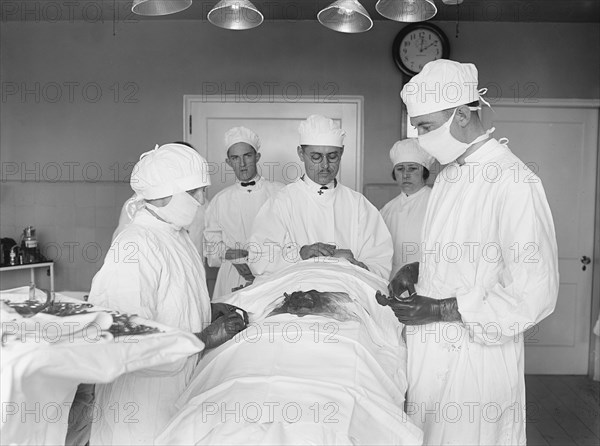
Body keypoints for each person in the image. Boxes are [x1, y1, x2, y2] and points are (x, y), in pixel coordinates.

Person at [377, 59, 559, 445]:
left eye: (426, 127)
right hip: (432, 351)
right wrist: (417, 268)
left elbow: (534, 294)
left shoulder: (514, 181)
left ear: (460, 114)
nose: (421, 138)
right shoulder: (450, 176)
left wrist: (443, 308)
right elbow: (463, 256)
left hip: (478, 358)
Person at [87, 143, 247, 445]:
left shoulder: (176, 235)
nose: (203, 200)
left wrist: (207, 309)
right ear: (163, 194)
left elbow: (172, 299)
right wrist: (203, 338)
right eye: (195, 192)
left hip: (177, 389)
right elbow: (124, 338)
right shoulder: (134, 246)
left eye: (204, 190)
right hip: (141, 403)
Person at [248, 114, 393, 279]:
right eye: (316, 157)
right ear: (301, 154)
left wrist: (358, 266)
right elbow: (258, 258)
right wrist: (300, 254)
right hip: (293, 296)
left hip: (347, 295)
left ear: (342, 152)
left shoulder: (358, 205)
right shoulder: (282, 202)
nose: (325, 165)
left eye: (332, 156)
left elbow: (380, 260)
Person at [204, 127, 284, 297]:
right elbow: (210, 245)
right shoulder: (220, 200)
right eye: (235, 158)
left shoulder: (279, 193)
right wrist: (226, 253)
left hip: (271, 274)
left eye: (247, 156)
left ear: (257, 157)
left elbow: (293, 237)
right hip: (232, 274)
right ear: (228, 162)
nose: (242, 164)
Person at [112, 141, 207, 258]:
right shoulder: (135, 236)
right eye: (192, 191)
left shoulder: (203, 206)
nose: (200, 200)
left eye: (203, 189)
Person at [380, 138, 435, 279]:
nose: (405, 175)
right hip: (392, 282)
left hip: (427, 283)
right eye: (400, 169)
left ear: (424, 171)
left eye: (412, 168)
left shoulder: (436, 203)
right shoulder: (387, 210)